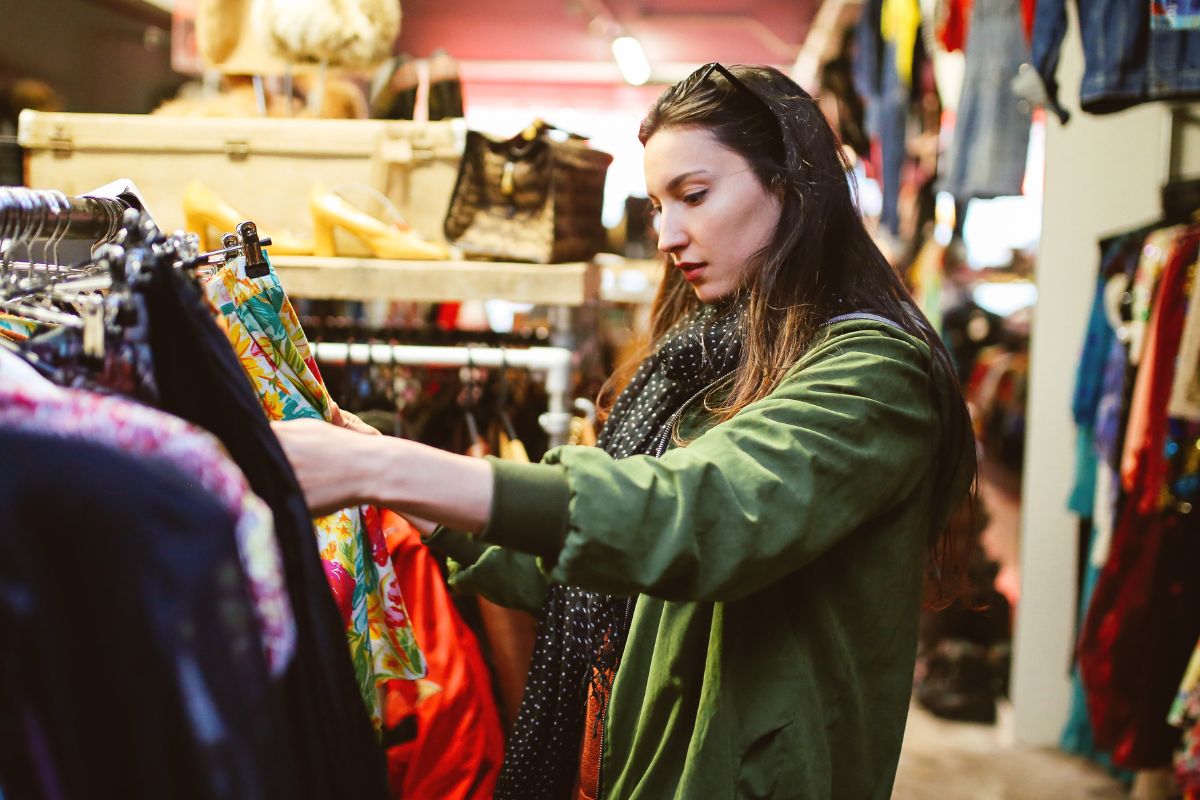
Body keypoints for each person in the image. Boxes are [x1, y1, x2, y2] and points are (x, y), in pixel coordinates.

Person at [274, 63, 978, 800]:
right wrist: (396, 473)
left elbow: (695, 512)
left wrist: (383, 471)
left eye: (694, 196)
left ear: (790, 187)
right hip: (635, 760)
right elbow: (578, 565)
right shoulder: (703, 361)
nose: (668, 235)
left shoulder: (875, 373)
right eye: (656, 205)